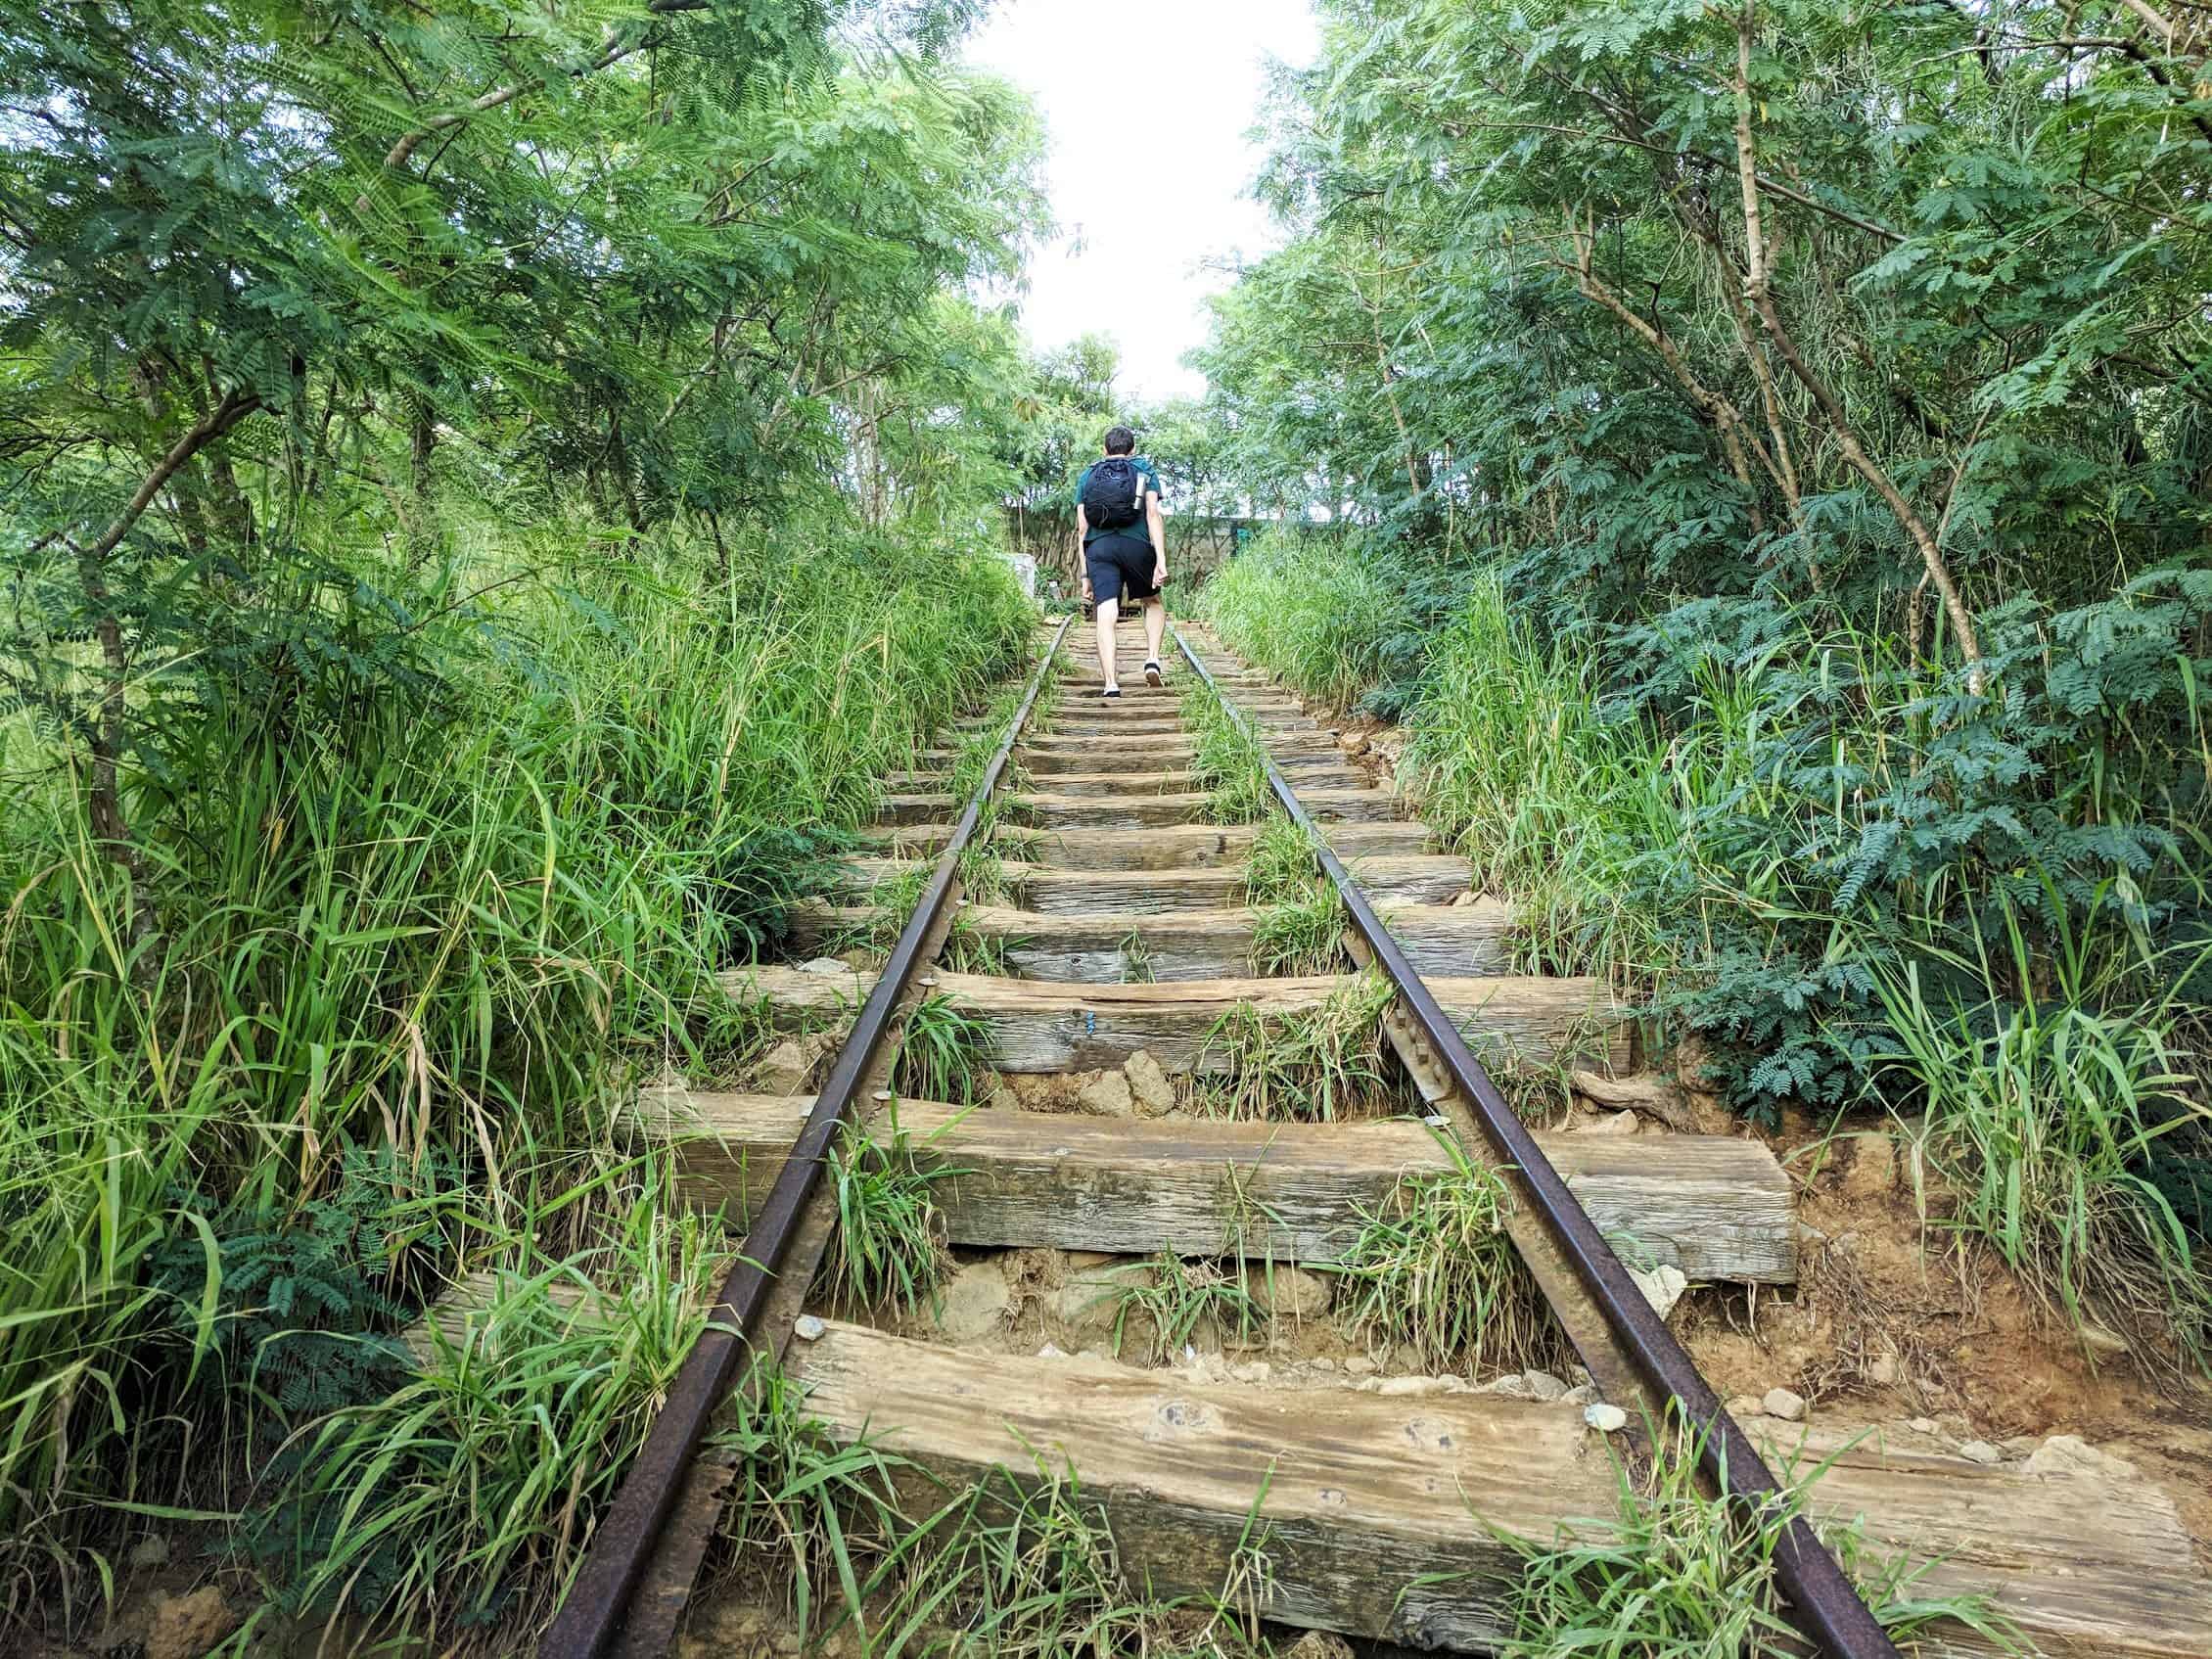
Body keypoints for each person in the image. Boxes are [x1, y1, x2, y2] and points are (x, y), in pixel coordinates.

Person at [1073, 425, 1168, 697]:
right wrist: (1160, 560)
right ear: (1133, 449)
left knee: (1106, 610)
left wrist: (1085, 575)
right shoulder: (1144, 469)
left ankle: (1111, 684)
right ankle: (1151, 658)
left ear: (1104, 450)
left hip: (1099, 549)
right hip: (1136, 545)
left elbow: (1082, 528)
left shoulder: (1088, 474)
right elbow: (1152, 514)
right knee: (1152, 602)